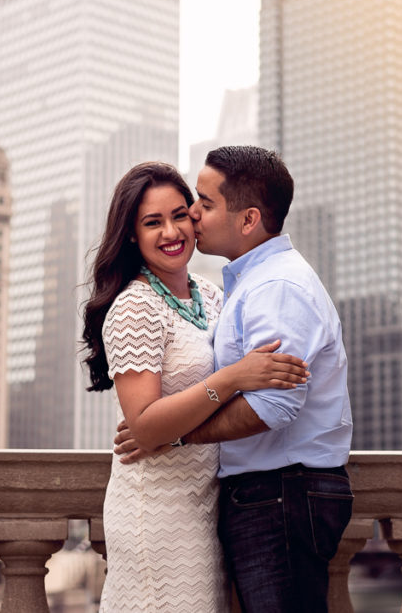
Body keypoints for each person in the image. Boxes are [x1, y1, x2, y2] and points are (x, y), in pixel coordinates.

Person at [116, 146, 354, 613]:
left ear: (247, 221)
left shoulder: (274, 287)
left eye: (203, 204)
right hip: (261, 497)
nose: (192, 217)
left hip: (280, 495)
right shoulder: (241, 286)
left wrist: (175, 437)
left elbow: (274, 406)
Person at [82, 161, 309, 613]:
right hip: (156, 512)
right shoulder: (134, 307)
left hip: (207, 505)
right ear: (131, 234)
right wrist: (232, 378)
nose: (171, 231)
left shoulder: (212, 295)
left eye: (179, 215)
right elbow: (144, 428)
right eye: (152, 222)